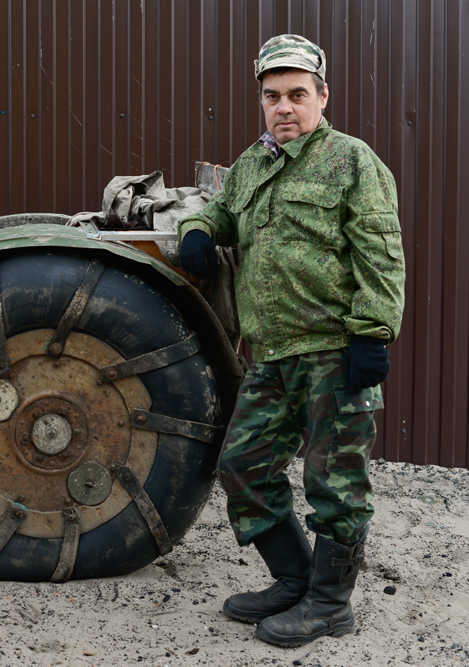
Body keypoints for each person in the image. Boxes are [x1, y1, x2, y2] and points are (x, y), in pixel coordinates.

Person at [177, 34, 405, 647]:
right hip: (271, 355)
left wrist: (373, 334)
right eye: (272, 96)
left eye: (297, 94)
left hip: (334, 351)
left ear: (322, 96)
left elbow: (381, 253)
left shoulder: (353, 161)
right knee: (244, 466)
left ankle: (331, 604)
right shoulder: (253, 164)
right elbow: (220, 213)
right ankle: (296, 579)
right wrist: (199, 229)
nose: (284, 106)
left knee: (335, 482)